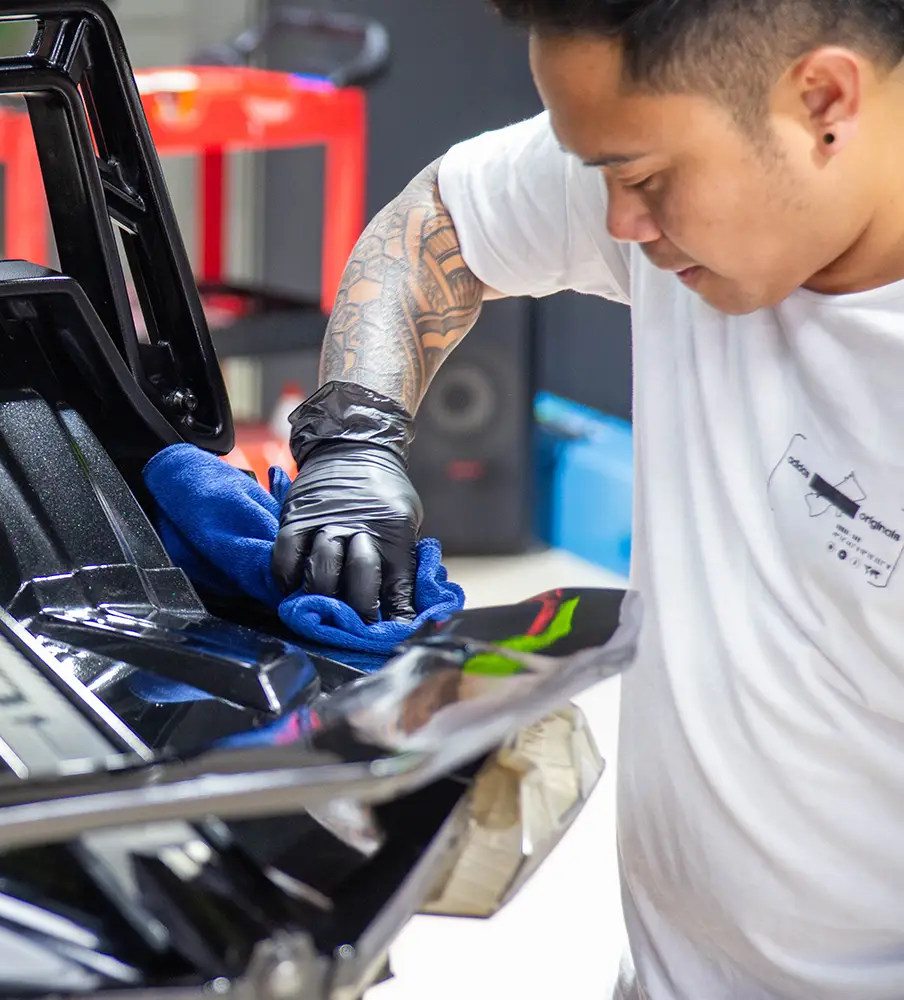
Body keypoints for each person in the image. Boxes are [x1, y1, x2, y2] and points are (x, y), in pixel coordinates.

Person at [270, 0, 904, 997]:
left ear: (823, 100)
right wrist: (353, 436)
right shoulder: (666, 188)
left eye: (644, 179)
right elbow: (428, 227)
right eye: (601, 174)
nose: (618, 221)